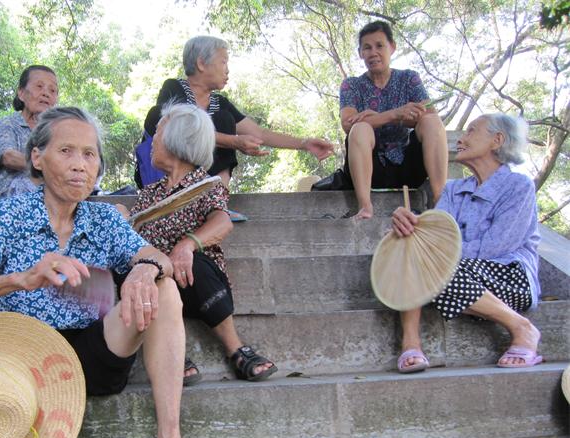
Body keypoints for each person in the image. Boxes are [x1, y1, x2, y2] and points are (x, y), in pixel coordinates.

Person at [0, 107, 222, 438]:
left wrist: (144, 269)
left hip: (92, 356)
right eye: (67, 151)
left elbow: (156, 257)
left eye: (89, 154)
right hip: (20, 367)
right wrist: (23, 279)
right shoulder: (8, 214)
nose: (80, 164)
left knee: (162, 288)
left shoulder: (104, 218)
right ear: (38, 158)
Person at [131, 103, 277, 384]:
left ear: (176, 140)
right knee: (140, 270)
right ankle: (170, 351)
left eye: (157, 133)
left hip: (196, 283)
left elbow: (223, 221)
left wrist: (186, 246)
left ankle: (235, 348)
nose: (151, 142)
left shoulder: (206, 185)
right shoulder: (149, 195)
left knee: (196, 263)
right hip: (160, 284)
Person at [392, 113, 542, 373]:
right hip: (455, 274)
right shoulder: (453, 190)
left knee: (429, 263)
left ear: (497, 140)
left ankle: (522, 327)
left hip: (509, 277)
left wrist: (434, 251)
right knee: (409, 253)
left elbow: (495, 247)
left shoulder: (518, 185)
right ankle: (411, 344)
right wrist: (409, 225)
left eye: (471, 131)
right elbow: (436, 236)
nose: (460, 139)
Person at [140, 36, 333, 201]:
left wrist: (304, 143)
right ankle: (188, 193)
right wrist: (234, 141)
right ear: (201, 63)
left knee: (224, 119)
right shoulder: (174, 88)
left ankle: (218, 198)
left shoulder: (220, 103)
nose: (227, 70)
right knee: (165, 116)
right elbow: (180, 131)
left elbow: (259, 134)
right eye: (223, 62)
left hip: (202, 183)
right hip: (166, 178)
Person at [336, 20, 448, 220]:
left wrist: (376, 118)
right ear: (360, 53)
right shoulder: (351, 85)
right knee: (360, 129)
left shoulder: (409, 78)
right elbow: (348, 124)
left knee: (431, 122)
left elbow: (429, 114)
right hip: (370, 170)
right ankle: (365, 206)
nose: (373, 53)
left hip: (407, 165)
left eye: (379, 45)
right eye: (367, 48)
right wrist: (396, 114)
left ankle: (441, 200)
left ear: (392, 47)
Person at [0, 65, 58, 200]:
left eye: (52, 90)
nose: (46, 93)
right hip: (12, 203)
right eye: (39, 86)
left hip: (46, 201)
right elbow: (9, 157)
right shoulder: (7, 124)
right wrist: (52, 168)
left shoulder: (55, 132)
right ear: (21, 93)